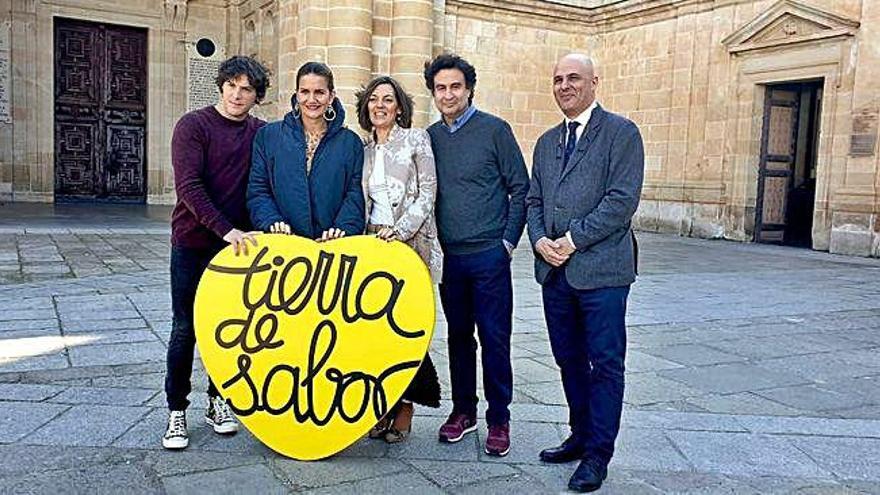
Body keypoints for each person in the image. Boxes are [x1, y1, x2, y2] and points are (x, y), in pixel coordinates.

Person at [526, 53, 644, 493]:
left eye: (573, 78)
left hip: (602, 272)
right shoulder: (545, 141)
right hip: (554, 273)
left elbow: (620, 201)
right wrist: (539, 240)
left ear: (595, 82)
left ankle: (598, 454)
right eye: (557, 79)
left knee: (605, 363)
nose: (564, 86)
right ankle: (580, 435)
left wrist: (571, 241)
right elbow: (533, 200)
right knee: (568, 359)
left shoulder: (621, 133)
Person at [424, 53, 529, 457]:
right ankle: (463, 411)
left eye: (455, 87)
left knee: (495, 337)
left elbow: (520, 187)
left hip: (489, 254)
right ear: (433, 93)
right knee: (458, 338)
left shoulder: (495, 131)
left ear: (469, 89)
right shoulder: (430, 138)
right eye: (440, 88)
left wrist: (506, 242)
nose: (448, 94)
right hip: (451, 258)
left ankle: (499, 418)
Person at [164, 55, 269, 450]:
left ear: (256, 96)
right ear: (221, 84)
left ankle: (218, 401)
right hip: (194, 243)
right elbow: (189, 187)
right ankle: (176, 411)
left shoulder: (261, 133)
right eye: (232, 85)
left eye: (247, 89)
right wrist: (225, 229)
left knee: (232, 332)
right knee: (185, 329)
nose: (237, 95)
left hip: (239, 249)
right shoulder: (193, 126)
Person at [355, 75, 443, 443]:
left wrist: (401, 229)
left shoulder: (416, 139)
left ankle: (405, 404)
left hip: (410, 246)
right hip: (373, 248)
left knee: (407, 329)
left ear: (399, 106)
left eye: (388, 99)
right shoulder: (363, 150)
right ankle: (381, 405)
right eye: (374, 99)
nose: (380, 105)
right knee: (374, 333)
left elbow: (428, 192)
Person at [248, 62, 365, 239]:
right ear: (296, 95)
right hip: (281, 243)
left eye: (319, 92)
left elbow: (354, 193)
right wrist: (271, 221)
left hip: (331, 247)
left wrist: (342, 228)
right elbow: (258, 189)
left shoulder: (350, 143)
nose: (311, 100)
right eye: (305, 92)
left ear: (331, 96)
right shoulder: (268, 136)